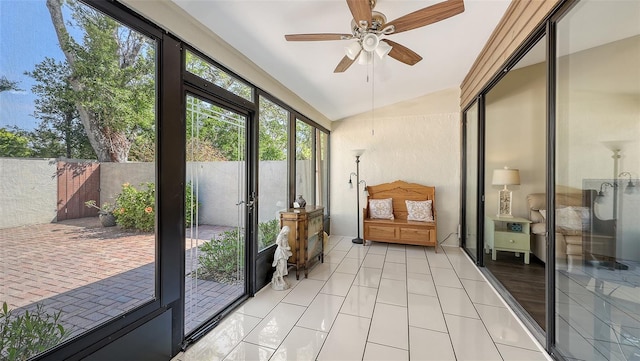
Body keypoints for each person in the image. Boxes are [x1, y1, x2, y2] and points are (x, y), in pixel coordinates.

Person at [271, 226, 292, 290]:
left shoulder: (285, 236)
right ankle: (280, 277)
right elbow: (279, 246)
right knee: (281, 265)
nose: (286, 233)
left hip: (284, 252)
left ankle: (281, 276)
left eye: (287, 232)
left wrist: (288, 247)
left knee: (284, 265)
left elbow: (287, 243)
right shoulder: (280, 236)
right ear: (284, 231)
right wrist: (286, 248)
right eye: (286, 232)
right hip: (280, 252)